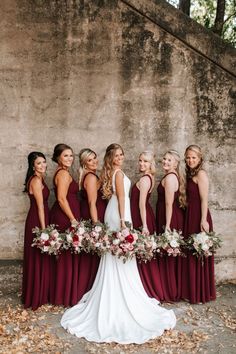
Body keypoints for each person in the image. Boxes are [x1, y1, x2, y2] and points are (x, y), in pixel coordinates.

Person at [61, 143, 176, 344]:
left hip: (115, 212)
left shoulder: (113, 173)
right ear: (111, 158)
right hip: (119, 214)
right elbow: (122, 197)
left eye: (122, 154)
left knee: (117, 253)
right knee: (120, 251)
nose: (120, 157)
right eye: (116, 155)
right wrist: (123, 221)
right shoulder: (118, 173)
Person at [181, 145, 216, 303]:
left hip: (199, 216)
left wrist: (203, 220)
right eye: (188, 157)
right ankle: (192, 290)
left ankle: (201, 292)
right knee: (191, 252)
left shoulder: (201, 174)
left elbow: (204, 200)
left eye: (193, 157)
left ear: (200, 159)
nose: (190, 160)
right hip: (190, 215)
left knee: (199, 252)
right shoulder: (190, 174)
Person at [131, 151, 164, 301]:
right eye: (140, 160)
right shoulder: (148, 177)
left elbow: (142, 205)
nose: (142, 164)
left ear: (151, 164)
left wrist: (144, 225)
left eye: (145, 161)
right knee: (143, 254)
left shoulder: (145, 179)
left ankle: (148, 288)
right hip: (142, 217)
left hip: (142, 218)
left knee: (143, 254)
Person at [50, 144, 80, 306]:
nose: (69, 158)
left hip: (66, 215)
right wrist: (73, 219)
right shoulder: (62, 174)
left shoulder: (64, 172)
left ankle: (65, 293)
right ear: (58, 158)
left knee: (66, 254)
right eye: (65, 156)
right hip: (65, 217)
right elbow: (61, 198)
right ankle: (64, 295)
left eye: (71, 155)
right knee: (65, 255)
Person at [76, 148, 107, 299]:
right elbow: (92, 202)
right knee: (93, 253)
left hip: (90, 214)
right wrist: (97, 224)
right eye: (90, 160)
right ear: (84, 163)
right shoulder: (91, 177)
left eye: (95, 158)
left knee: (90, 254)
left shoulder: (89, 176)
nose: (94, 161)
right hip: (94, 215)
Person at [22, 151, 51, 310]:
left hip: (40, 217)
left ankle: (39, 292)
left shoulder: (39, 179)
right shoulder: (35, 181)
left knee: (40, 257)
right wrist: (44, 229)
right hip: (37, 220)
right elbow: (40, 206)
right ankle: (35, 295)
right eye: (38, 163)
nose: (42, 165)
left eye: (43, 162)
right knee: (36, 257)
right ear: (33, 166)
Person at [156, 150, 185, 302]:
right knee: (169, 253)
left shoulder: (170, 178)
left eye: (169, 160)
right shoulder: (171, 176)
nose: (165, 162)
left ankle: (170, 290)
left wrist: (167, 226)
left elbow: (169, 203)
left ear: (176, 163)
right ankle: (170, 288)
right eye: (164, 158)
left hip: (169, 217)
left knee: (169, 253)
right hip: (168, 215)